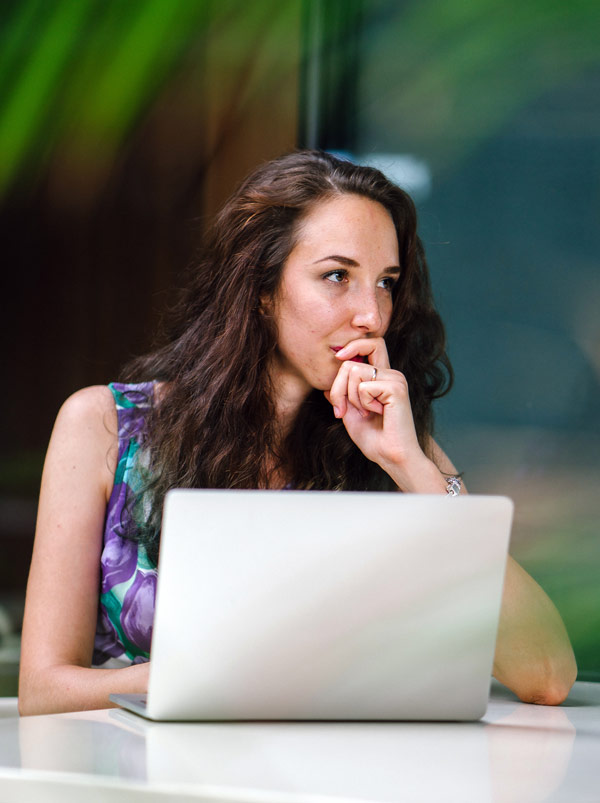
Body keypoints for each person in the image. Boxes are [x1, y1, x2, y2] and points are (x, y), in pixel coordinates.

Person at [19, 150, 576, 715]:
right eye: (337, 276)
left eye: (385, 282)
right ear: (262, 290)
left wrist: (413, 468)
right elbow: (43, 690)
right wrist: (219, 677)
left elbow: (548, 675)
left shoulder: (394, 444)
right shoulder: (105, 427)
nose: (371, 315)